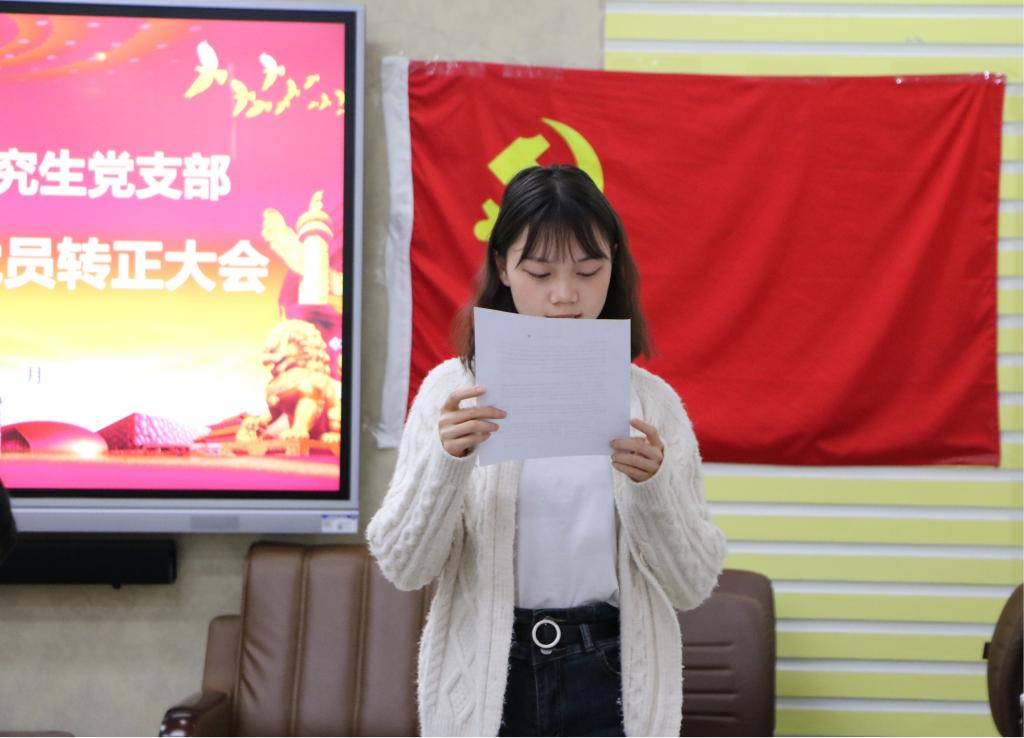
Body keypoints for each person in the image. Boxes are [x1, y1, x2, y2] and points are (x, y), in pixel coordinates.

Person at [366, 164, 727, 737]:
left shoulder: (651, 403)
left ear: (614, 265)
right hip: (490, 675)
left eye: (588, 270)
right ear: (503, 267)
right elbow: (403, 567)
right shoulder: (451, 392)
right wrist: (446, 463)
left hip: (612, 672)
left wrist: (653, 489)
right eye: (539, 272)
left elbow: (693, 584)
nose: (565, 295)